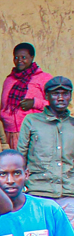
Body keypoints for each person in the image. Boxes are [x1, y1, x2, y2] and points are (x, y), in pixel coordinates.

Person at [17, 76, 74, 227]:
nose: (61, 98)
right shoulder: (31, 121)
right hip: (39, 193)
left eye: (65, 93)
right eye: (56, 93)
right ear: (47, 96)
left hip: (70, 196)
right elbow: (20, 157)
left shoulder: (73, 125)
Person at [0, 42, 50, 149]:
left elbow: (54, 104)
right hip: (10, 134)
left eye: (24, 57)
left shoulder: (43, 78)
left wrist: (34, 103)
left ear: (32, 57)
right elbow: (3, 107)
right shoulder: (9, 80)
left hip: (34, 133)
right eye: (16, 57)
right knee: (14, 164)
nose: (19, 60)